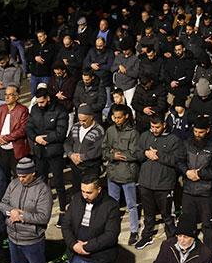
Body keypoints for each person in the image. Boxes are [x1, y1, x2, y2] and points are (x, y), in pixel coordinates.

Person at [0, 156, 52, 263]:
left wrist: (20, 215)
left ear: (33, 173)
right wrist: (11, 211)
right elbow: (3, 204)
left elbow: (43, 217)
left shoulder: (43, 190)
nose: (21, 179)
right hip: (13, 238)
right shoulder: (14, 184)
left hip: (32, 240)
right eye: (19, 176)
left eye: (24, 176)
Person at [175, 116, 212, 246]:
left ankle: (208, 252)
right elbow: (179, 160)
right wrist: (186, 171)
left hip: (206, 193)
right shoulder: (187, 142)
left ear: (207, 130)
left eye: (200, 132)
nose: (197, 135)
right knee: (186, 224)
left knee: (208, 225)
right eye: (195, 131)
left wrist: (199, 174)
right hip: (188, 191)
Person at [136, 114, 182, 248]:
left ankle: (172, 240)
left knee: (168, 216)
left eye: (157, 127)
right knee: (148, 215)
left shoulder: (174, 140)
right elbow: (136, 153)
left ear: (164, 125)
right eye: (152, 127)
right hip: (145, 184)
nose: (154, 130)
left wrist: (158, 155)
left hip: (164, 186)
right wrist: (146, 153)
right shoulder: (145, 136)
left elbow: (176, 161)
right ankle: (147, 236)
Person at [103, 103, 142, 246]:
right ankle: (111, 229)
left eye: (119, 117)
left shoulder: (133, 133)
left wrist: (117, 154)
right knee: (112, 204)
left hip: (127, 174)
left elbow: (135, 154)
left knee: (131, 205)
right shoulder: (110, 130)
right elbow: (104, 149)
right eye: (114, 117)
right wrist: (112, 156)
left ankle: (134, 230)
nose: (116, 120)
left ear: (126, 116)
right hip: (113, 173)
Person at [25, 88, 69, 210]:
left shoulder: (60, 110)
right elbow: (28, 127)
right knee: (41, 181)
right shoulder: (35, 110)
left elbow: (61, 132)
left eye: (42, 102)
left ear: (48, 98)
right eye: (38, 102)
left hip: (55, 152)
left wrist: (46, 138)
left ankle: (62, 208)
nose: (40, 105)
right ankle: (43, 205)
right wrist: (36, 138)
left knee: (59, 182)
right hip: (39, 152)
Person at [65, 103, 105, 193]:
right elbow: (68, 143)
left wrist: (82, 157)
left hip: (91, 167)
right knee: (76, 191)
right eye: (80, 120)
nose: (82, 123)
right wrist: (71, 155)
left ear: (91, 117)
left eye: (84, 120)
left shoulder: (99, 130)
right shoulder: (75, 127)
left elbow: (98, 150)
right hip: (76, 166)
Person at [0, 85, 29, 180]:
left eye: (10, 95)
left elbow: (22, 130)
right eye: (6, 94)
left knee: (18, 175)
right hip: (2, 147)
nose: (7, 97)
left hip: (15, 148)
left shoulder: (22, 110)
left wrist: (6, 138)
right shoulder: (2, 108)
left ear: (16, 97)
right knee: (3, 175)